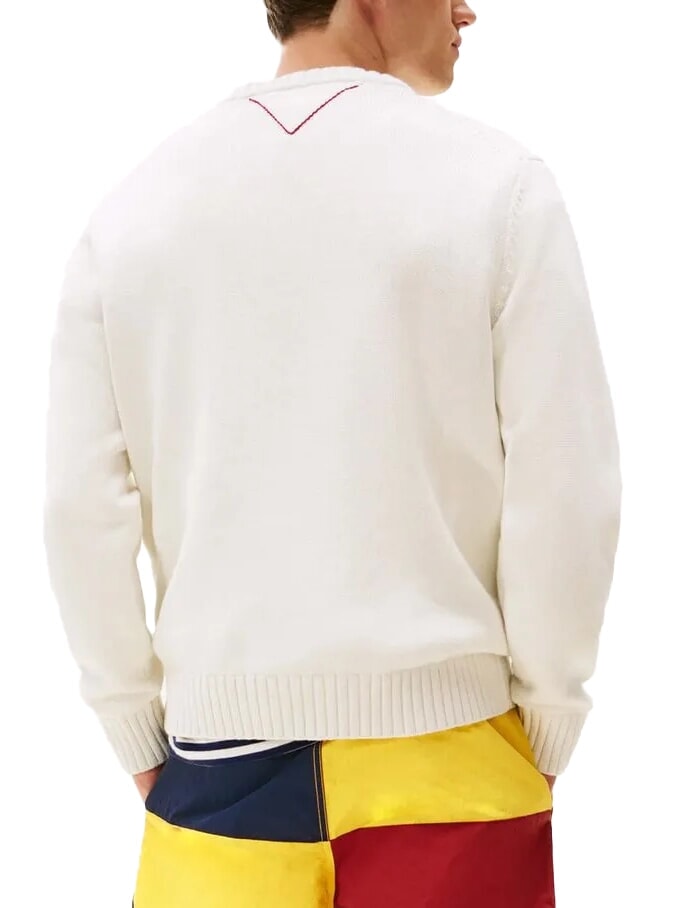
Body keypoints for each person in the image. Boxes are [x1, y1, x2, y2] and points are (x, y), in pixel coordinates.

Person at [42, 1, 622, 906]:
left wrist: (135, 730)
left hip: (216, 775)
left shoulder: (132, 215)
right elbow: (564, 488)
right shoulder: (499, 187)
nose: (467, 9)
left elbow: (80, 508)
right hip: (455, 767)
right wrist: (547, 724)